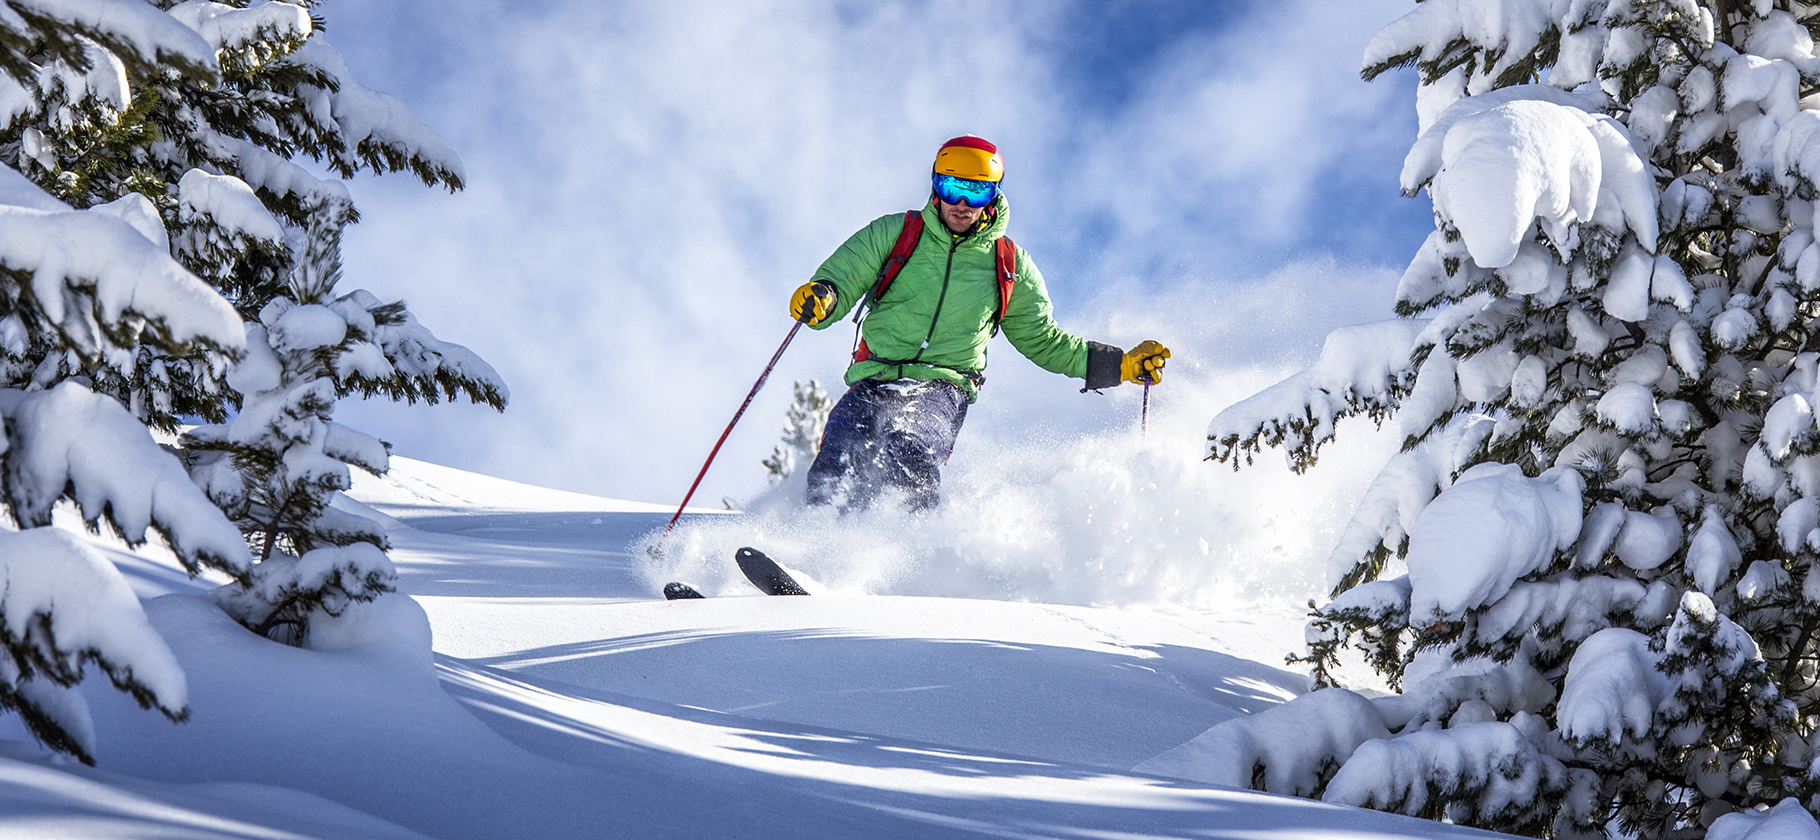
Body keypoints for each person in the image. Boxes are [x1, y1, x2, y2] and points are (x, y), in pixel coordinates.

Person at [788, 135, 1171, 511]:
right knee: (838, 452)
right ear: (936, 186)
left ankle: (908, 547)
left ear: (994, 196)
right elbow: (844, 277)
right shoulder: (898, 233)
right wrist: (824, 296)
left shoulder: (1007, 264)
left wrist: (1118, 365)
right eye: (952, 187)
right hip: (875, 376)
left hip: (942, 387)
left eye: (976, 193)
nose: (962, 204)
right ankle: (818, 541)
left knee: (907, 448)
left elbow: (1044, 340)